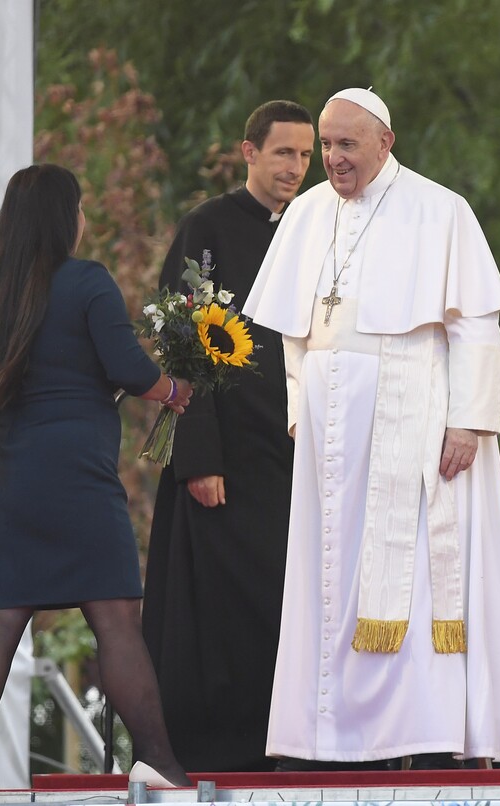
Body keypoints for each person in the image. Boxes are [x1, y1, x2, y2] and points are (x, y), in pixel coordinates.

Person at [243, 88, 500, 769]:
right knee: (328, 575)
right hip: (330, 430)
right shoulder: (309, 212)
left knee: (414, 578)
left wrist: (467, 420)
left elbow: (476, 327)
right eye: (328, 144)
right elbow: (294, 333)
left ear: (385, 143)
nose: (334, 159)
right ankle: (331, 736)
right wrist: (298, 406)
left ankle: (424, 729)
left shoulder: (441, 210)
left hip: (418, 416)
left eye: (348, 145)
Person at [0, 163, 193, 790]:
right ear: (64, 217)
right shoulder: (86, 282)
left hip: (4, 477)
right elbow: (129, 367)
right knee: (114, 615)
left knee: (0, 618)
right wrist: (172, 389)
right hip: (76, 476)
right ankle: (158, 759)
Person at [142, 100, 313, 773]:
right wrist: (199, 456)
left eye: (305, 156)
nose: (295, 169)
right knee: (220, 609)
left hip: (296, 454)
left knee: (287, 607)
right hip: (226, 458)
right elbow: (182, 347)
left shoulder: (320, 228)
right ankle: (218, 754)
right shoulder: (206, 227)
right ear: (249, 152)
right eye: (283, 154)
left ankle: (290, 750)